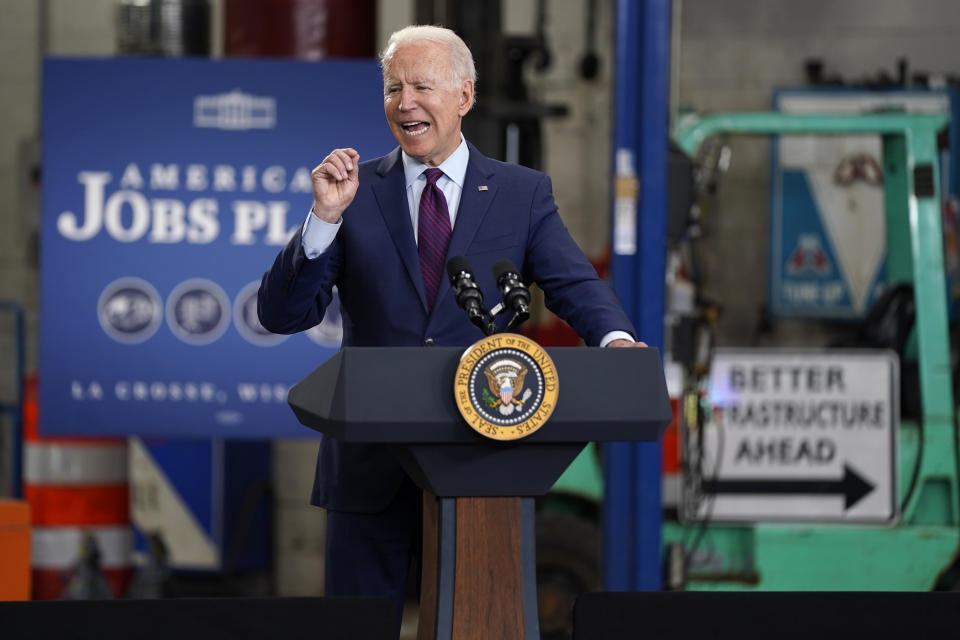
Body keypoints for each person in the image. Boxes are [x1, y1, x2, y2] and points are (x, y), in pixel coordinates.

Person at [258, 24, 644, 629]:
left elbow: (572, 283)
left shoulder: (521, 193)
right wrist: (322, 219)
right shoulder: (353, 194)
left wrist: (615, 340)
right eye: (392, 89)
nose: (404, 103)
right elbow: (281, 315)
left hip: (482, 458)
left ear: (464, 95)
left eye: (421, 86)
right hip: (370, 469)